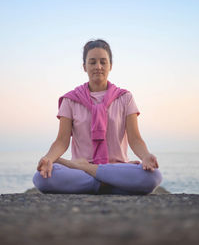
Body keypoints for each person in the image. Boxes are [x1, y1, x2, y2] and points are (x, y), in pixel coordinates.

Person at [32, 39, 162, 195]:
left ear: (110, 66)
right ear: (84, 67)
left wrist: (146, 156)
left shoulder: (125, 98)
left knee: (153, 177)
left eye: (103, 62)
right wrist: (49, 159)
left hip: (115, 167)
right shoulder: (70, 100)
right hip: (89, 175)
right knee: (40, 178)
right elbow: (61, 141)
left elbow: (135, 139)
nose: (98, 67)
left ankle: (88, 171)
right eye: (92, 62)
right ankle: (111, 185)